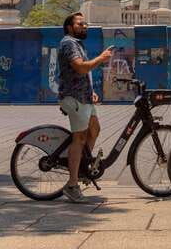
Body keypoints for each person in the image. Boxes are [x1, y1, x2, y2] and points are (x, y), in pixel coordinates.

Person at [58, 12, 114, 202]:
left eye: (85, 24)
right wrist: (102, 58)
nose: (84, 27)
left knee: (94, 130)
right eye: (80, 24)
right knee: (79, 138)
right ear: (69, 27)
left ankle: (81, 167)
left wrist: (91, 90)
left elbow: (82, 73)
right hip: (74, 97)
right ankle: (72, 184)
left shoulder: (78, 44)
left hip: (85, 96)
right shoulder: (69, 43)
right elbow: (81, 67)